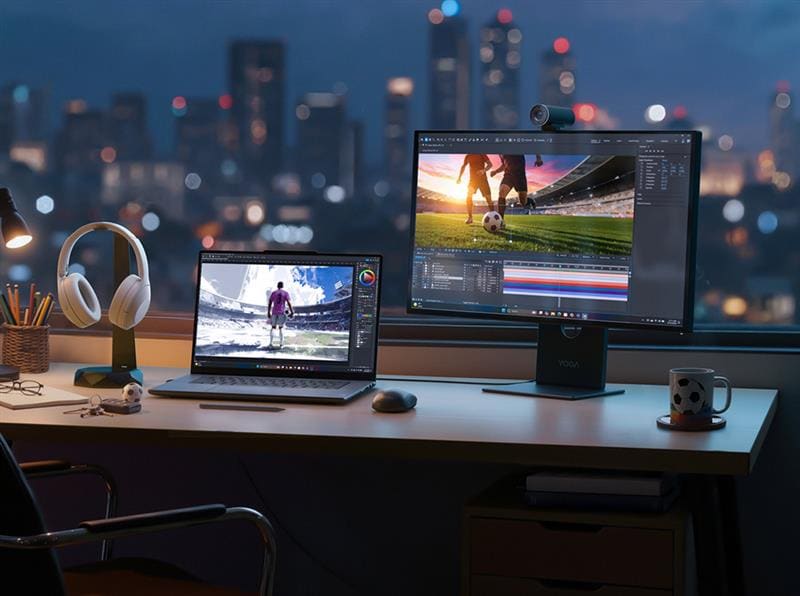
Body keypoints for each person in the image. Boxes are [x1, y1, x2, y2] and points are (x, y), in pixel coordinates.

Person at [491, 154, 544, 222]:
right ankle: (500, 221)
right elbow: (504, 165)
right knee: (502, 192)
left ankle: (529, 200)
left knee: (523, 202)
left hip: (520, 175)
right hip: (508, 175)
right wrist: (495, 172)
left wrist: (538, 158)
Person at [456, 154, 493, 224]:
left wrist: (483, 170)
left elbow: (490, 164)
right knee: (468, 195)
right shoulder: (468, 156)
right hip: (473, 181)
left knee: (489, 200)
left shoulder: (482, 153)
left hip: (483, 180)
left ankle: (493, 216)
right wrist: (459, 177)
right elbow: (463, 166)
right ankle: (470, 218)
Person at [267, 281, 294, 349]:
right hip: (281, 312)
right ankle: (281, 344)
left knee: (273, 327)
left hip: (274, 312)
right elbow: (289, 303)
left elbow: (270, 303)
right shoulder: (285, 293)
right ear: (282, 286)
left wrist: (268, 312)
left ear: (277, 286)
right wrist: (292, 312)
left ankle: (270, 343)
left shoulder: (273, 293)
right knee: (281, 328)